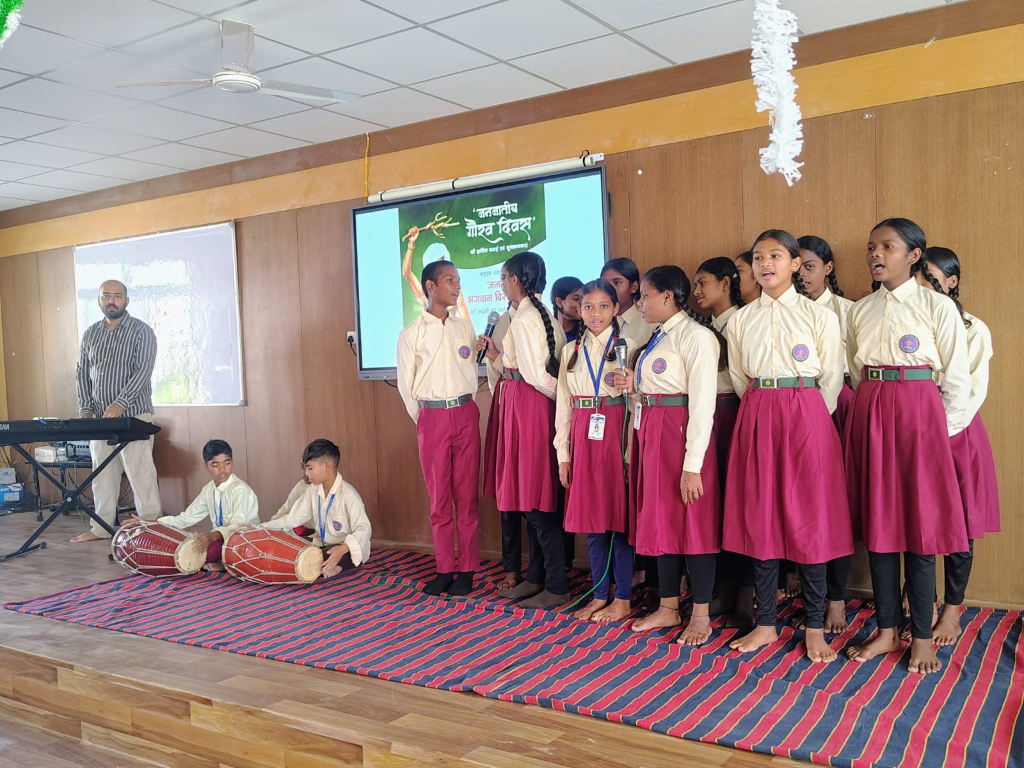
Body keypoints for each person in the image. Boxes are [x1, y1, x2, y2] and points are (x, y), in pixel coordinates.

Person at [844, 219, 970, 674]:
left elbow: (957, 381)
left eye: (888, 246)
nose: (876, 254)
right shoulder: (860, 311)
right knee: (880, 529)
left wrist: (940, 436)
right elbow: (857, 372)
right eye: (871, 246)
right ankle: (885, 631)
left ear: (914, 255)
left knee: (919, 533)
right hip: (872, 410)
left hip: (921, 417)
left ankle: (921, 637)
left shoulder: (938, 308)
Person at [724, 230, 852, 663]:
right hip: (758, 411)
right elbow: (741, 379)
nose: (765, 264)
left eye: (776, 256)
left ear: (795, 264)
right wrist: (768, 408)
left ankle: (814, 627)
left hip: (808, 413)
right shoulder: (741, 320)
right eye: (758, 257)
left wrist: (805, 413)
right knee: (762, 517)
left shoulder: (820, 317)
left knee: (810, 519)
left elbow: (832, 379)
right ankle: (765, 625)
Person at [616, 266, 721, 645]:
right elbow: (650, 395)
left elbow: (703, 404)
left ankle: (702, 614)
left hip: (682, 437)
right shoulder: (658, 338)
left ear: (668, 297)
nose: (639, 303)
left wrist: (692, 466)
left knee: (694, 525)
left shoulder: (698, 338)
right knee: (661, 521)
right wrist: (633, 387)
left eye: (644, 295)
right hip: (653, 434)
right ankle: (667, 606)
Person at [914, 246, 999, 645]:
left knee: (959, 525)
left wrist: (939, 435)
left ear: (951, 282)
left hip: (956, 434)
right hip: (916, 434)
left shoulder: (973, 328)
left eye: (932, 277)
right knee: (919, 520)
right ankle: (922, 600)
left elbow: (971, 392)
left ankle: (952, 610)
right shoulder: (910, 322)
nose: (923, 284)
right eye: (919, 276)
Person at [482, 251, 568, 608]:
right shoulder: (537, 315)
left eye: (502, 278)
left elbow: (537, 376)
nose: (501, 285)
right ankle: (537, 577)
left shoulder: (526, 318)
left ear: (516, 280)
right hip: (528, 405)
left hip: (530, 407)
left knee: (537, 501)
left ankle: (558, 586)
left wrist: (563, 399)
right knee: (531, 497)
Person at [397, 260, 480, 596]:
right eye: (449, 280)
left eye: (458, 280)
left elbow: (473, 375)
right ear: (430, 286)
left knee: (467, 497)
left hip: (465, 413)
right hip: (431, 418)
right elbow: (406, 388)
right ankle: (445, 569)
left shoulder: (465, 330)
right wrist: (428, 421)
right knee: (439, 501)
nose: (456, 286)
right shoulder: (411, 334)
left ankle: (468, 571)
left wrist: (460, 411)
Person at [555, 279, 634, 622]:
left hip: (617, 428)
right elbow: (563, 405)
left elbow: (642, 400)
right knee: (591, 518)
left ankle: (625, 597)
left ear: (616, 308)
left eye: (604, 306)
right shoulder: (571, 351)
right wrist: (563, 454)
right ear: (578, 309)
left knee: (619, 517)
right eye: (588, 307)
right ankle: (600, 594)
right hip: (583, 432)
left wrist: (631, 385)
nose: (595, 313)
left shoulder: (629, 346)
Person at [796, 234, 856, 633]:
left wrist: (820, 413)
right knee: (799, 503)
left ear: (828, 268)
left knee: (836, 505)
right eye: (796, 266)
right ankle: (797, 592)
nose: (802, 274)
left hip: (841, 407)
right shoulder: (784, 311)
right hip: (797, 412)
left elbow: (844, 371)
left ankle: (836, 598)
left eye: (810, 266)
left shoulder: (850, 311)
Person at [73, 279, 161, 544]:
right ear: (99, 300)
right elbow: (82, 375)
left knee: (140, 474)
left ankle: (151, 529)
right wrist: (86, 409)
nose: (112, 300)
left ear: (127, 301)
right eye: (106, 296)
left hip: (134, 416)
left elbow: (143, 372)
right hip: (99, 420)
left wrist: (121, 402)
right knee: (102, 475)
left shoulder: (141, 331)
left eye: (117, 296)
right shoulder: (90, 334)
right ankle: (100, 527)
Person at [693, 257, 753, 628]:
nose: (697, 291)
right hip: (708, 417)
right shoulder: (704, 327)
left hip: (735, 412)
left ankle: (746, 599)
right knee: (718, 506)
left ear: (726, 283)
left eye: (704, 283)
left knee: (741, 503)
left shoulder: (743, 322)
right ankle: (725, 590)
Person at [261, 439, 372, 579]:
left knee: (333, 552)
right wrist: (261, 527)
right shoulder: (312, 491)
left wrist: (342, 549)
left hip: (345, 548)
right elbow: (292, 519)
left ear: (326, 466)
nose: (306, 473)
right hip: (322, 545)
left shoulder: (349, 495)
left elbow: (365, 529)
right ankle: (326, 564)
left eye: (310, 468)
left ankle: (336, 565)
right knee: (290, 542)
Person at [150, 440, 258, 569]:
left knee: (205, 552)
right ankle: (220, 564)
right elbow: (187, 518)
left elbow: (237, 526)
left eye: (227, 463)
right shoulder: (208, 490)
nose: (222, 469)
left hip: (244, 540)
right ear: (206, 466)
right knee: (190, 548)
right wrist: (152, 523)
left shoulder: (240, 489)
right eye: (215, 465)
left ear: (232, 462)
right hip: (220, 540)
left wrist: (211, 537)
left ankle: (221, 565)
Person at [402, 228, 471, 323]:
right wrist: (411, 244)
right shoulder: (425, 294)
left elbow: (468, 326)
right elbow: (406, 273)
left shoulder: (456, 294)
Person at [601, 258, 654, 345]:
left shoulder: (649, 321)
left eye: (617, 283)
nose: (609, 289)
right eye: (605, 284)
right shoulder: (596, 320)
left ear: (634, 287)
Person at [270, 465, 312, 537]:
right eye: (303, 467)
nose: (305, 472)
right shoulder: (302, 485)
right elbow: (286, 510)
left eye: (309, 468)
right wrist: (270, 526)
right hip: (300, 534)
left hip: (318, 538)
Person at [551, 277, 584, 343]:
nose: (582, 304)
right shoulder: (544, 330)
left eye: (584, 299)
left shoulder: (587, 334)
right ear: (559, 302)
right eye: (576, 299)